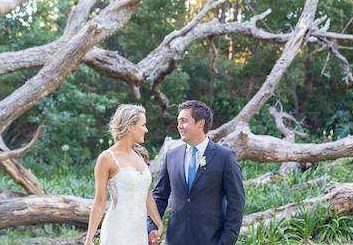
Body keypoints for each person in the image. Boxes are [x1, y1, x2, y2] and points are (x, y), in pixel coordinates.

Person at [147, 100, 245, 245]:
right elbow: (159, 196)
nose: (179, 126)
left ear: (201, 123)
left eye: (184, 121)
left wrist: (226, 241)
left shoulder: (225, 157)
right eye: (178, 121)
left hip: (211, 239)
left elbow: (236, 202)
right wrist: (152, 227)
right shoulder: (171, 156)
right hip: (175, 240)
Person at [85, 104, 164, 245]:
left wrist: (159, 225)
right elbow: (100, 200)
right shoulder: (106, 158)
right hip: (117, 231)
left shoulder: (140, 155)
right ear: (130, 127)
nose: (146, 129)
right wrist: (89, 238)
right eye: (143, 125)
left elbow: (146, 194)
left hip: (139, 232)